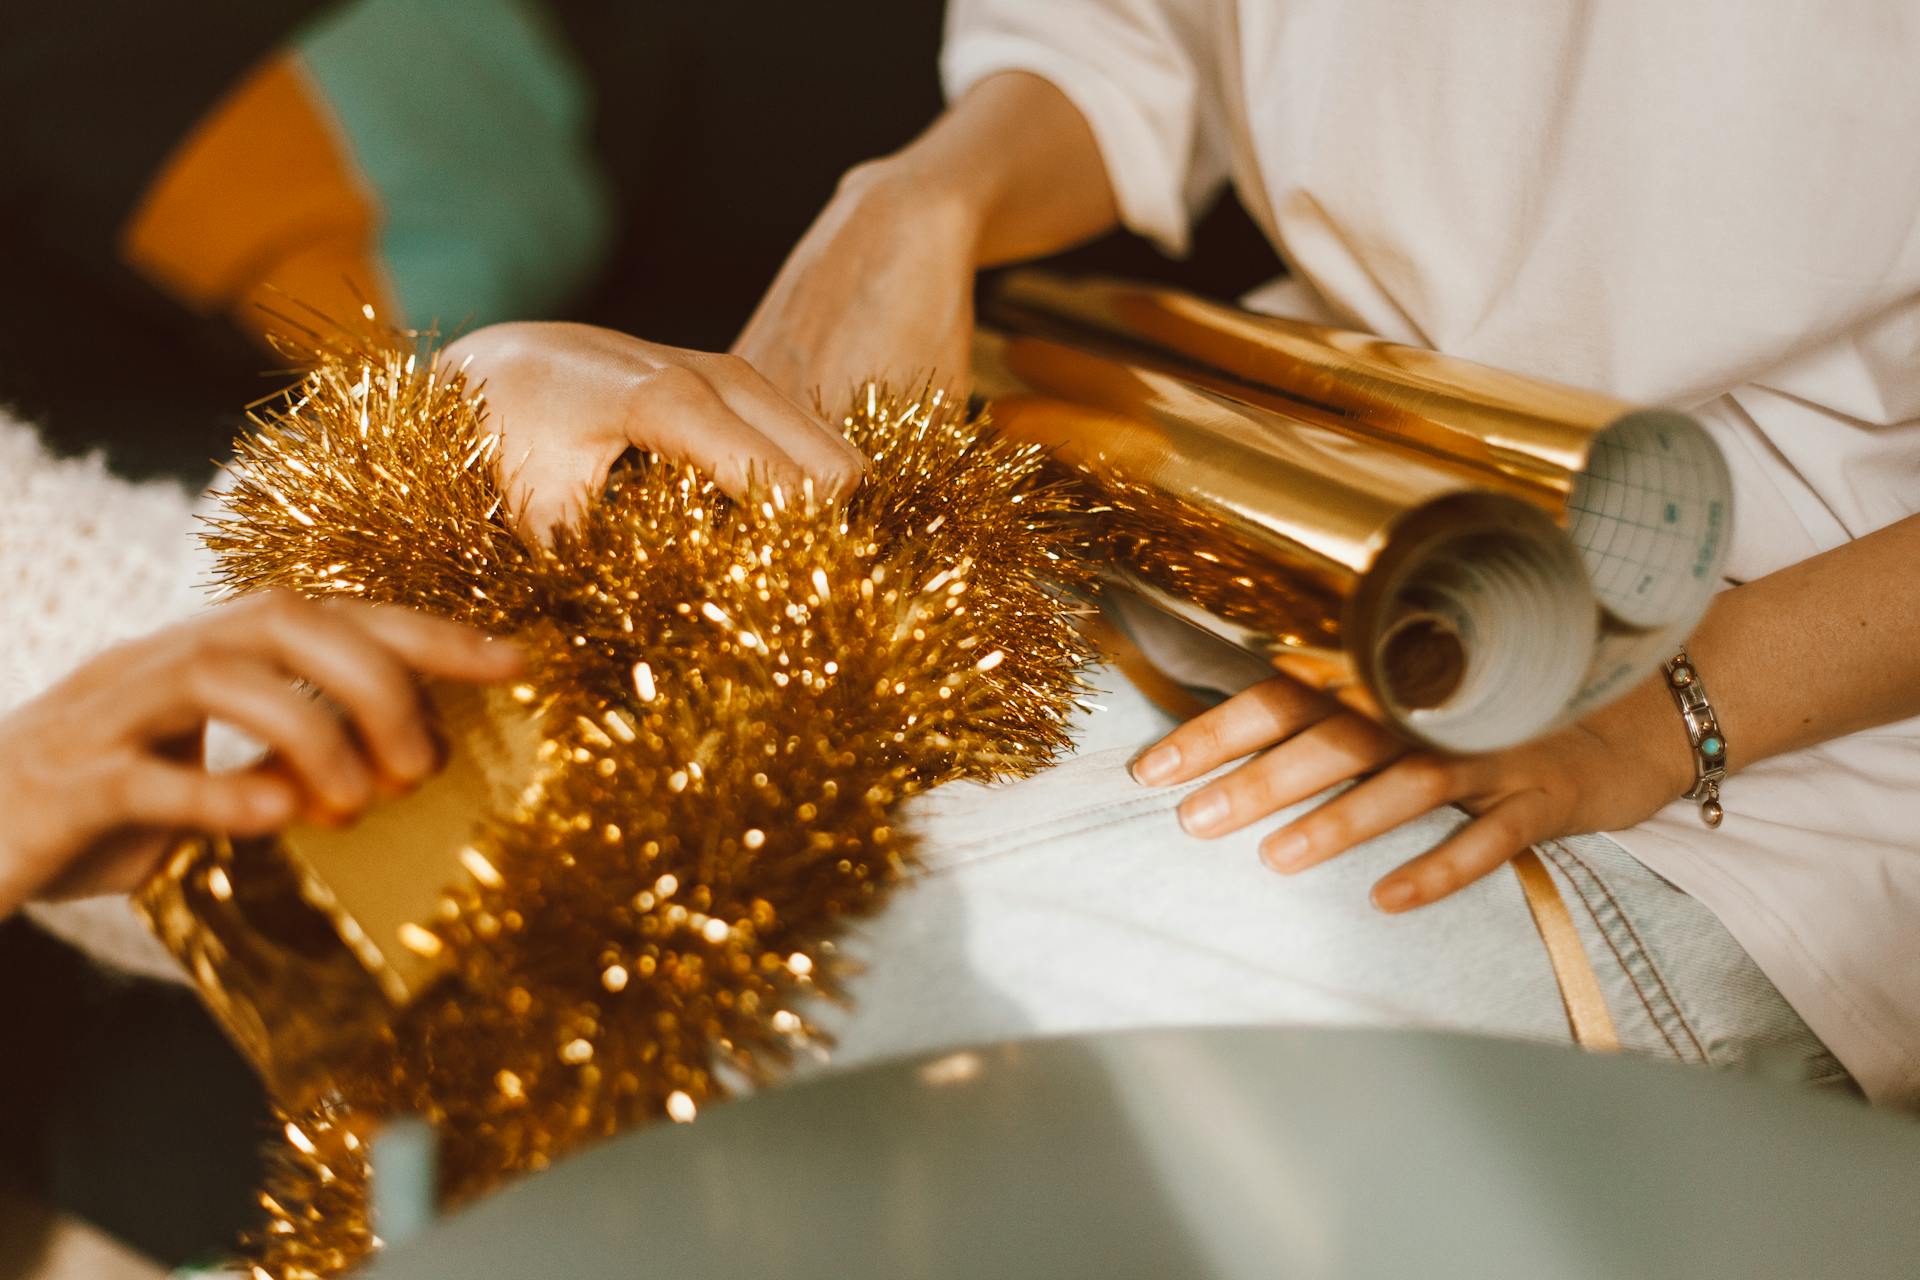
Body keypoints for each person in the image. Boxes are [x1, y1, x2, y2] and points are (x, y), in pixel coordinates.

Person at [740, 2, 1920, 1106]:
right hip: (1258, 511)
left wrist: (1669, 712)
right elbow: (1142, 35)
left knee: (807, 1058)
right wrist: (927, 194)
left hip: (1760, 750)